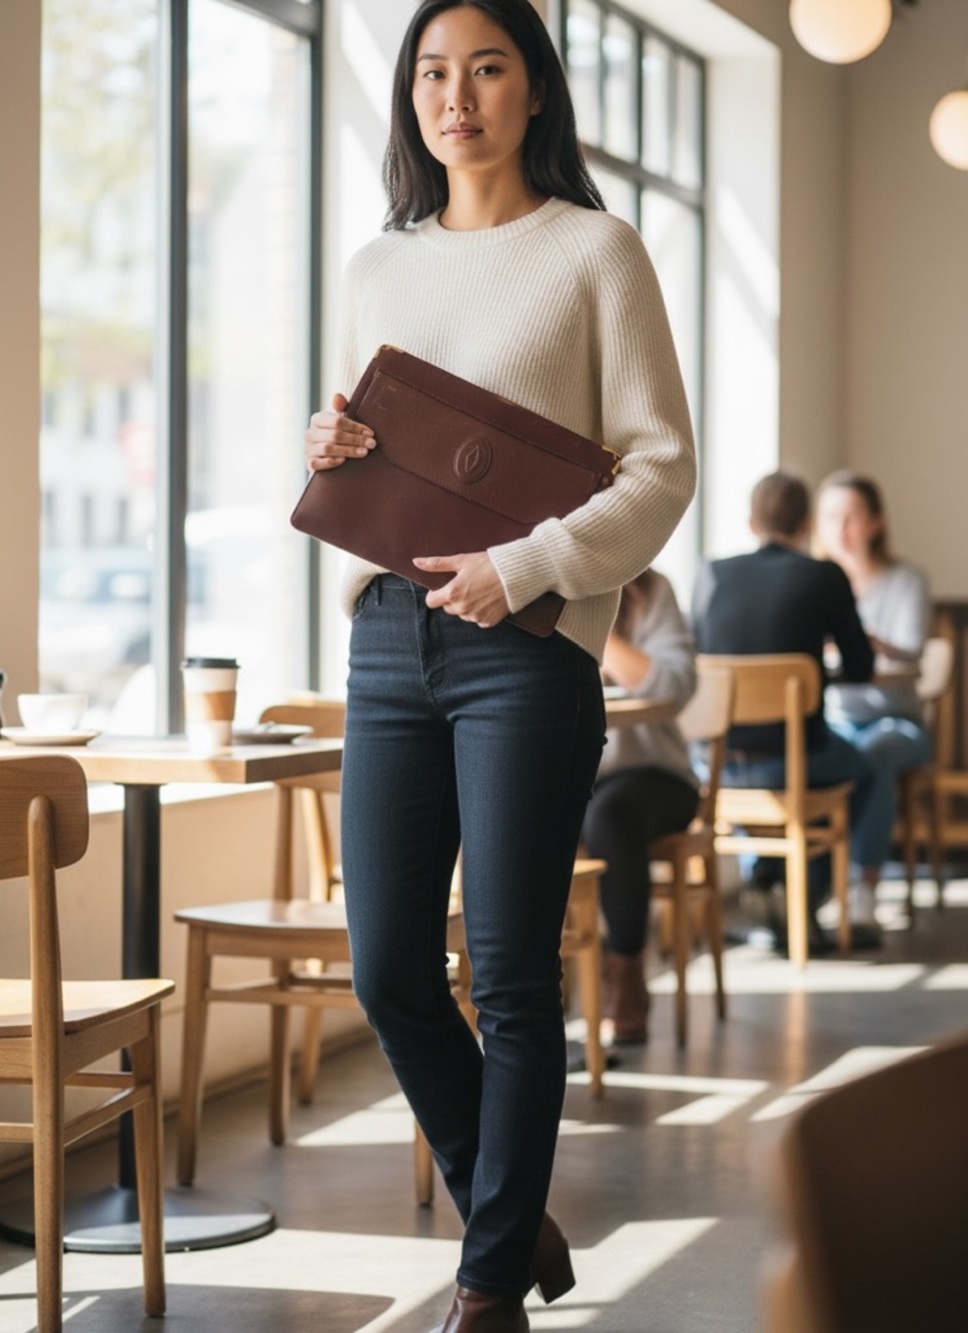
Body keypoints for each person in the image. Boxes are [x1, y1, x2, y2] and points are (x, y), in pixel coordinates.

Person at [304, 3, 696, 1328]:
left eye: (484, 67)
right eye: (431, 71)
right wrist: (328, 450)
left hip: (524, 651)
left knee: (514, 976)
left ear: (533, 90)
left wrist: (527, 567)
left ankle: (486, 1289)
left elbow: (662, 463)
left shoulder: (596, 250)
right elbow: (373, 458)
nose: (454, 93)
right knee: (390, 970)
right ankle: (512, 1216)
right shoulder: (376, 265)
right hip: (388, 644)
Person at [690, 471, 884, 950]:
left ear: (751, 522)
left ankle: (767, 881)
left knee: (802, 768)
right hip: (793, 758)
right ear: (806, 524)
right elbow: (862, 666)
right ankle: (808, 895)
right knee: (863, 770)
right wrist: (812, 672)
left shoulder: (709, 573)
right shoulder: (823, 574)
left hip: (713, 762)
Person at [580, 570, 699, 1045]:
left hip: (657, 773)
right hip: (579, 777)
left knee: (610, 816)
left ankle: (625, 976)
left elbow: (674, 687)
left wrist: (593, 632)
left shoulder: (650, 591)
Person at [814, 470, 933, 925]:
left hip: (898, 720)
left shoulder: (905, 580)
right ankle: (808, 887)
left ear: (876, 523)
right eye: (830, 518)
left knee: (873, 753)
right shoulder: (818, 583)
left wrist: (868, 646)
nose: (840, 530)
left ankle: (864, 886)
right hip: (837, 718)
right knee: (807, 752)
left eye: (851, 517)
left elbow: (913, 656)